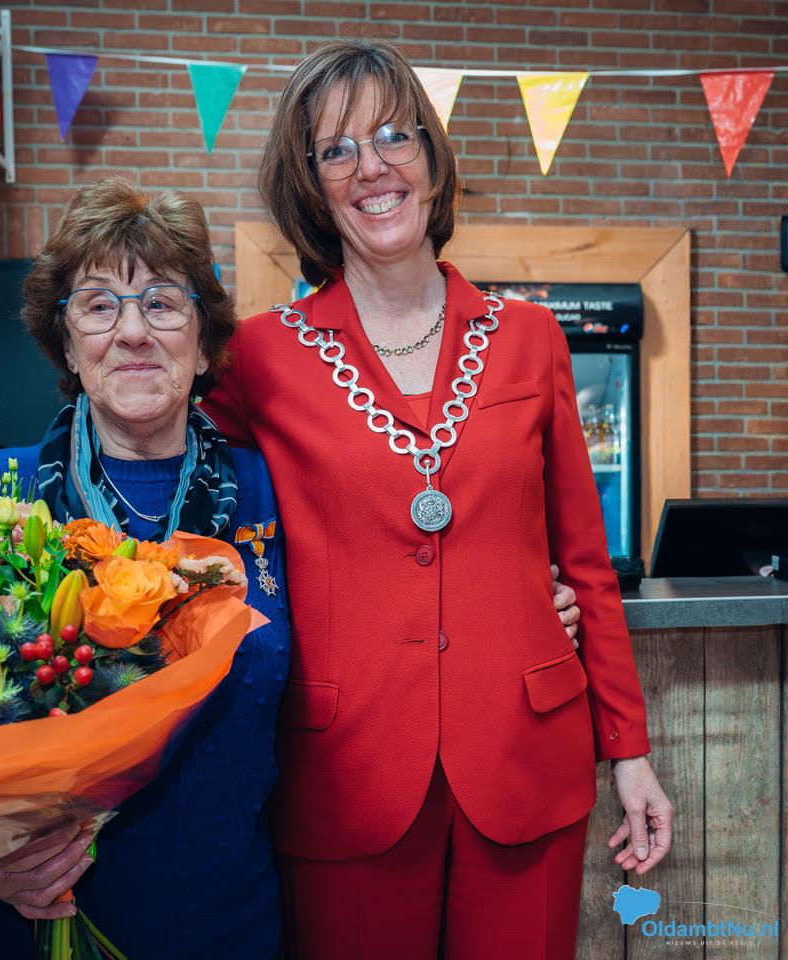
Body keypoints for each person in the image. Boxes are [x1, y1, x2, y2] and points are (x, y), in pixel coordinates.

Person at [0, 176, 583, 959]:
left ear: (204, 346)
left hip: (230, 927)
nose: (133, 331)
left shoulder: (271, 490)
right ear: (65, 342)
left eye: (163, 303)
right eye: (98, 305)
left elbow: (383, 580)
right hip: (29, 922)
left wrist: (517, 607)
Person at [197, 38, 673, 959]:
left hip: (526, 757)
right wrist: (17, 500)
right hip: (346, 769)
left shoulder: (531, 338)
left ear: (431, 155)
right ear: (310, 184)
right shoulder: (260, 357)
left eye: (393, 137)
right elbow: (161, 460)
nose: (372, 168)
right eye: (336, 150)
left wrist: (629, 749)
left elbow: (586, 562)